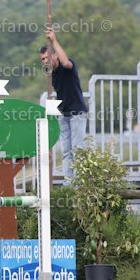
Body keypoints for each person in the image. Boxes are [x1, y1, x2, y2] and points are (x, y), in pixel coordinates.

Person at [39, 28, 88, 185]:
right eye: (42, 59)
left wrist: (54, 40)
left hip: (76, 113)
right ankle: (69, 184)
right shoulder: (51, 73)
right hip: (63, 113)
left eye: (47, 57)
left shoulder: (68, 66)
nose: (45, 61)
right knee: (66, 152)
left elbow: (65, 62)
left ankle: (80, 184)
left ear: (55, 55)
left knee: (78, 150)